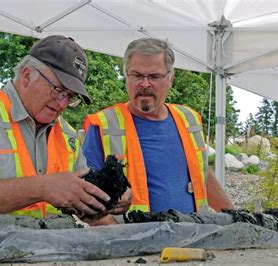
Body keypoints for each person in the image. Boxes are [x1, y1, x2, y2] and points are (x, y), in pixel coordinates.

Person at [0, 35, 131, 241]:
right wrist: (42, 187)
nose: (62, 103)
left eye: (70, 97)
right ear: (27, 75)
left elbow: (83, 205)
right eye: (58, 90)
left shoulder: (67, 135)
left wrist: (108, 203)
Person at [83, 37, 233, 224]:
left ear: (170, 79)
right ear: (126, 76)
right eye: (137, 75)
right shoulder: (104, 125)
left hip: (193, 240)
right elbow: (87, 200)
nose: (145, 84)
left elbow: (201, 175)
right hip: (134, 246)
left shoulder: (189, 120)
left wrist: (236, 216)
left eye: (154, 77)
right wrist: (123, 239)